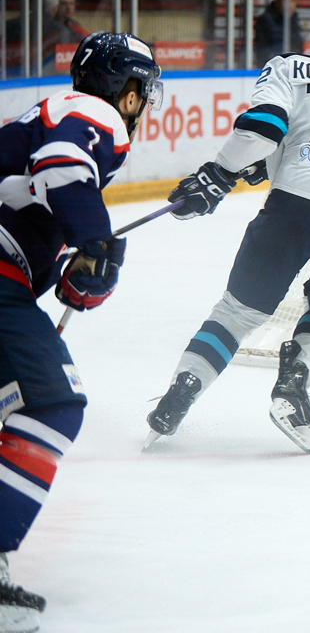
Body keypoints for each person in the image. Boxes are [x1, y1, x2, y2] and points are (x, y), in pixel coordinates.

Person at [146, 3, 310, 454]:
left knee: (237, 313)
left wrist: (218, 174)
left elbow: (264, 128)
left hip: (296, 204)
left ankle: (183, 388)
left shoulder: (289, 66)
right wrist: (266, 162)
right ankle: (294, 384)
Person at [0, 32, 161, 630]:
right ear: (127, 91)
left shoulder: (47, 114)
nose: (143, 105)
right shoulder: (93, 112)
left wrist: (75, 265)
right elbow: (64, 166)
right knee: (50, 403)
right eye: (143, 91)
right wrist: (94, 241)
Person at [253, 0, 304, 67]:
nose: (289, 5)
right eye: (285, 1)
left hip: (292, 65)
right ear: (277, 2)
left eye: (292, 1)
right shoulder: (266, 20)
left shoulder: (294, 19)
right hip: (273, 66)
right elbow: (266, 49)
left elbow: (298, 43)